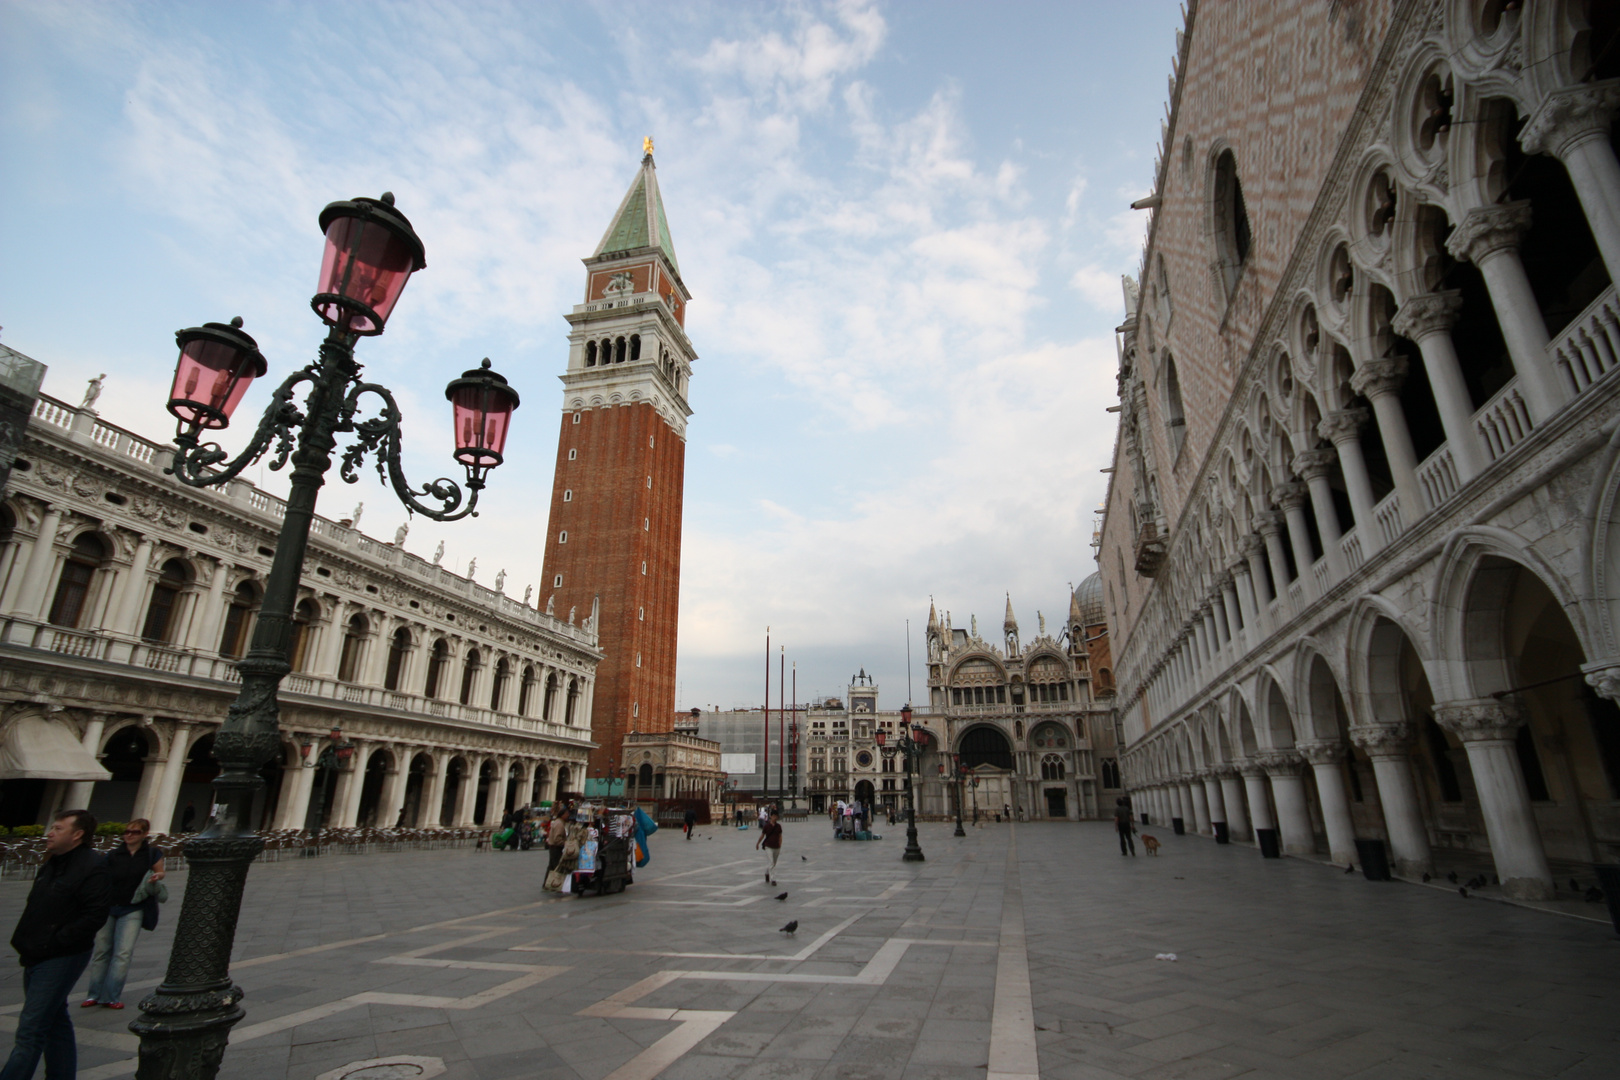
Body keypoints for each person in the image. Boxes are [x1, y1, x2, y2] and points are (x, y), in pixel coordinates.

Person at [2, 809, 111, 1080]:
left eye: (58, 828)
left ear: (77, 835)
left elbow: (95, 915)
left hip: (60, 955)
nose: (49, 833)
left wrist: (56, 939)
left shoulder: (92, 867)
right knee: (54, 1021)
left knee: (31, 1028)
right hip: (36, 951)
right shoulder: (54, 862)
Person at [82, 818, 165, 1010]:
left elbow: (161, 872)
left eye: (134, 832)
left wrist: (156, 877)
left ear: (144, 835)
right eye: (127, 831)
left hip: (133, 907)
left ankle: (111, 996)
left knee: (123, 953)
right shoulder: (113, 855)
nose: (128, 835)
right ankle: (94, 994)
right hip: (109, 906)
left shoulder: (152, 854)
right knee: (102, 952)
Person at [757, 809, 783, 886]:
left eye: (776, 816)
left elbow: (780, 836)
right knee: (771, 862)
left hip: (776, 846)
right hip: (768, 846)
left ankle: (767, 872)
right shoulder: (766, 826)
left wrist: (780, 845)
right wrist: (758, 843)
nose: (775, 818)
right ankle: (773, 879)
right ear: (771, 816)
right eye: (773, 816)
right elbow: (762, 835)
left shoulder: (778, 826)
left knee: (773, 863)